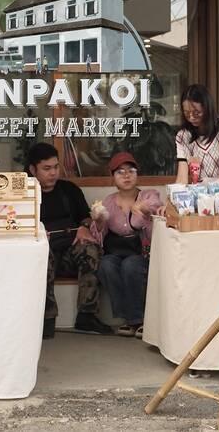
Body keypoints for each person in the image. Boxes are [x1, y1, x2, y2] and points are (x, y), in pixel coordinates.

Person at [27, 142, 112, 338]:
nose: (53, 173)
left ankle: (87, 316)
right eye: (46, 168)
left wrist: (83, 226)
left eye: (56, 167)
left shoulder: (69, 189)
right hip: (43, 254)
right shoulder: (26, 195)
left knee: (90, 249)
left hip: (68, 254)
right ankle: (46, 319)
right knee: (42, 253)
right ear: (33, 169)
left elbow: (86, 216)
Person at [92, 152, 165, 339]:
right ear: (113, 177)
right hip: (116, 251)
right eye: (120, 172)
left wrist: (143, 210)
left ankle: (137, 320)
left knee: (131, 266)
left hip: (141, 251)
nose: (126, 175)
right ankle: (129, 318)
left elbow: (156, 208)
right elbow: (99, 234)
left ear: (137, 174)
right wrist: (99, 221)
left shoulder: (148, 195)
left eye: (131, 171)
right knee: (106, 265)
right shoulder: (108, 201)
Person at [175, 84, 219, 186]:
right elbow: (182, 178)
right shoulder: (183, 136)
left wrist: (209, 185)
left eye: (196, 113)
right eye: (187, 113)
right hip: (203, 195)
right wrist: (174, 193)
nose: (191, 118)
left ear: (207, 108)